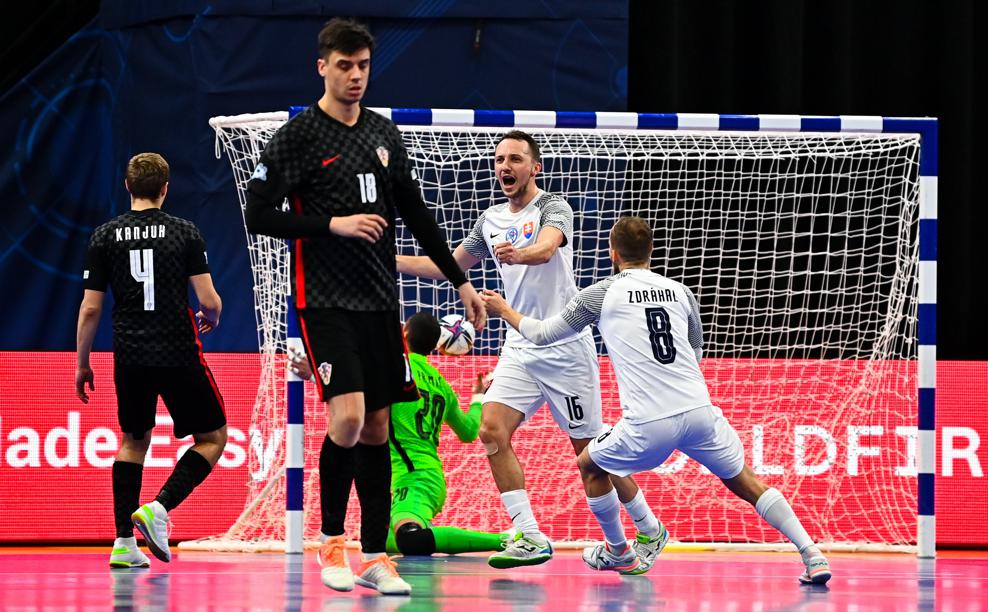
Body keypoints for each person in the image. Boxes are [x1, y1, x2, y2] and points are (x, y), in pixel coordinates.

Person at [243, 18, 485, 596]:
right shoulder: (298, 138)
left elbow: (418, 213)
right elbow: (259, 215)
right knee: (348, 420)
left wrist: (460, 281)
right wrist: (333, 223)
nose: (355, 76)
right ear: (322, 66)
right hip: (323, 301)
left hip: (380, 304)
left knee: (378, 427)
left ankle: (376, 555)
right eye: (344, 65)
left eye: (363, 66)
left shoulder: (383, 132)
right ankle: (331, 543)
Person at [481, 215, 833, 584]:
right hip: (699, 412)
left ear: (612, 253)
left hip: (649, 422)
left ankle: (617, 551)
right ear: (651, 251)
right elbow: (696, 353)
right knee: (747, 482)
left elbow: (542, 333)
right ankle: (812, 554)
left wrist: (505, 310)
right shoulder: (681, 292)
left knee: (590, 464)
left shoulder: (601, 293)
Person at [396, 131, 663, 571]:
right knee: (490, 431)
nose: (505, 166)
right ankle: (530, 535)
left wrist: (519, 254)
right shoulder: (490, 219)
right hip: (520, 347)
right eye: (500, 159)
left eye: (516, 159)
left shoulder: (553, 207)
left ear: (533, 167)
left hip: (564, 347)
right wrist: (391, 259)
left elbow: (545, 248)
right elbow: (449, 266)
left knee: (593, 454)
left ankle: (649, 527)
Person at [75, 152, 227, 568]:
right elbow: (209, 300)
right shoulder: (183, 231)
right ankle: (159, 509)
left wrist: (82, 363)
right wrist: (211, 316)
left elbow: (90, 310)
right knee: (214, 438)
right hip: (177, 349)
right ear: (165, 188)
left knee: (132, 442)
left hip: (130, 354)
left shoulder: (104, 236)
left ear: (127, 187)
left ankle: (124, 543)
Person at [289, 313, 507, 556]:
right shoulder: (442, 385)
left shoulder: (393, 370)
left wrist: (314, 374)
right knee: (376, 541)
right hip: (427, 476)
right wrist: (478, 397)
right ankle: (423, 528)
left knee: (409, 539)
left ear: (404, 334)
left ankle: (505, 540)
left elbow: (354, 397)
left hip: (414, 478)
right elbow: (468, 431)